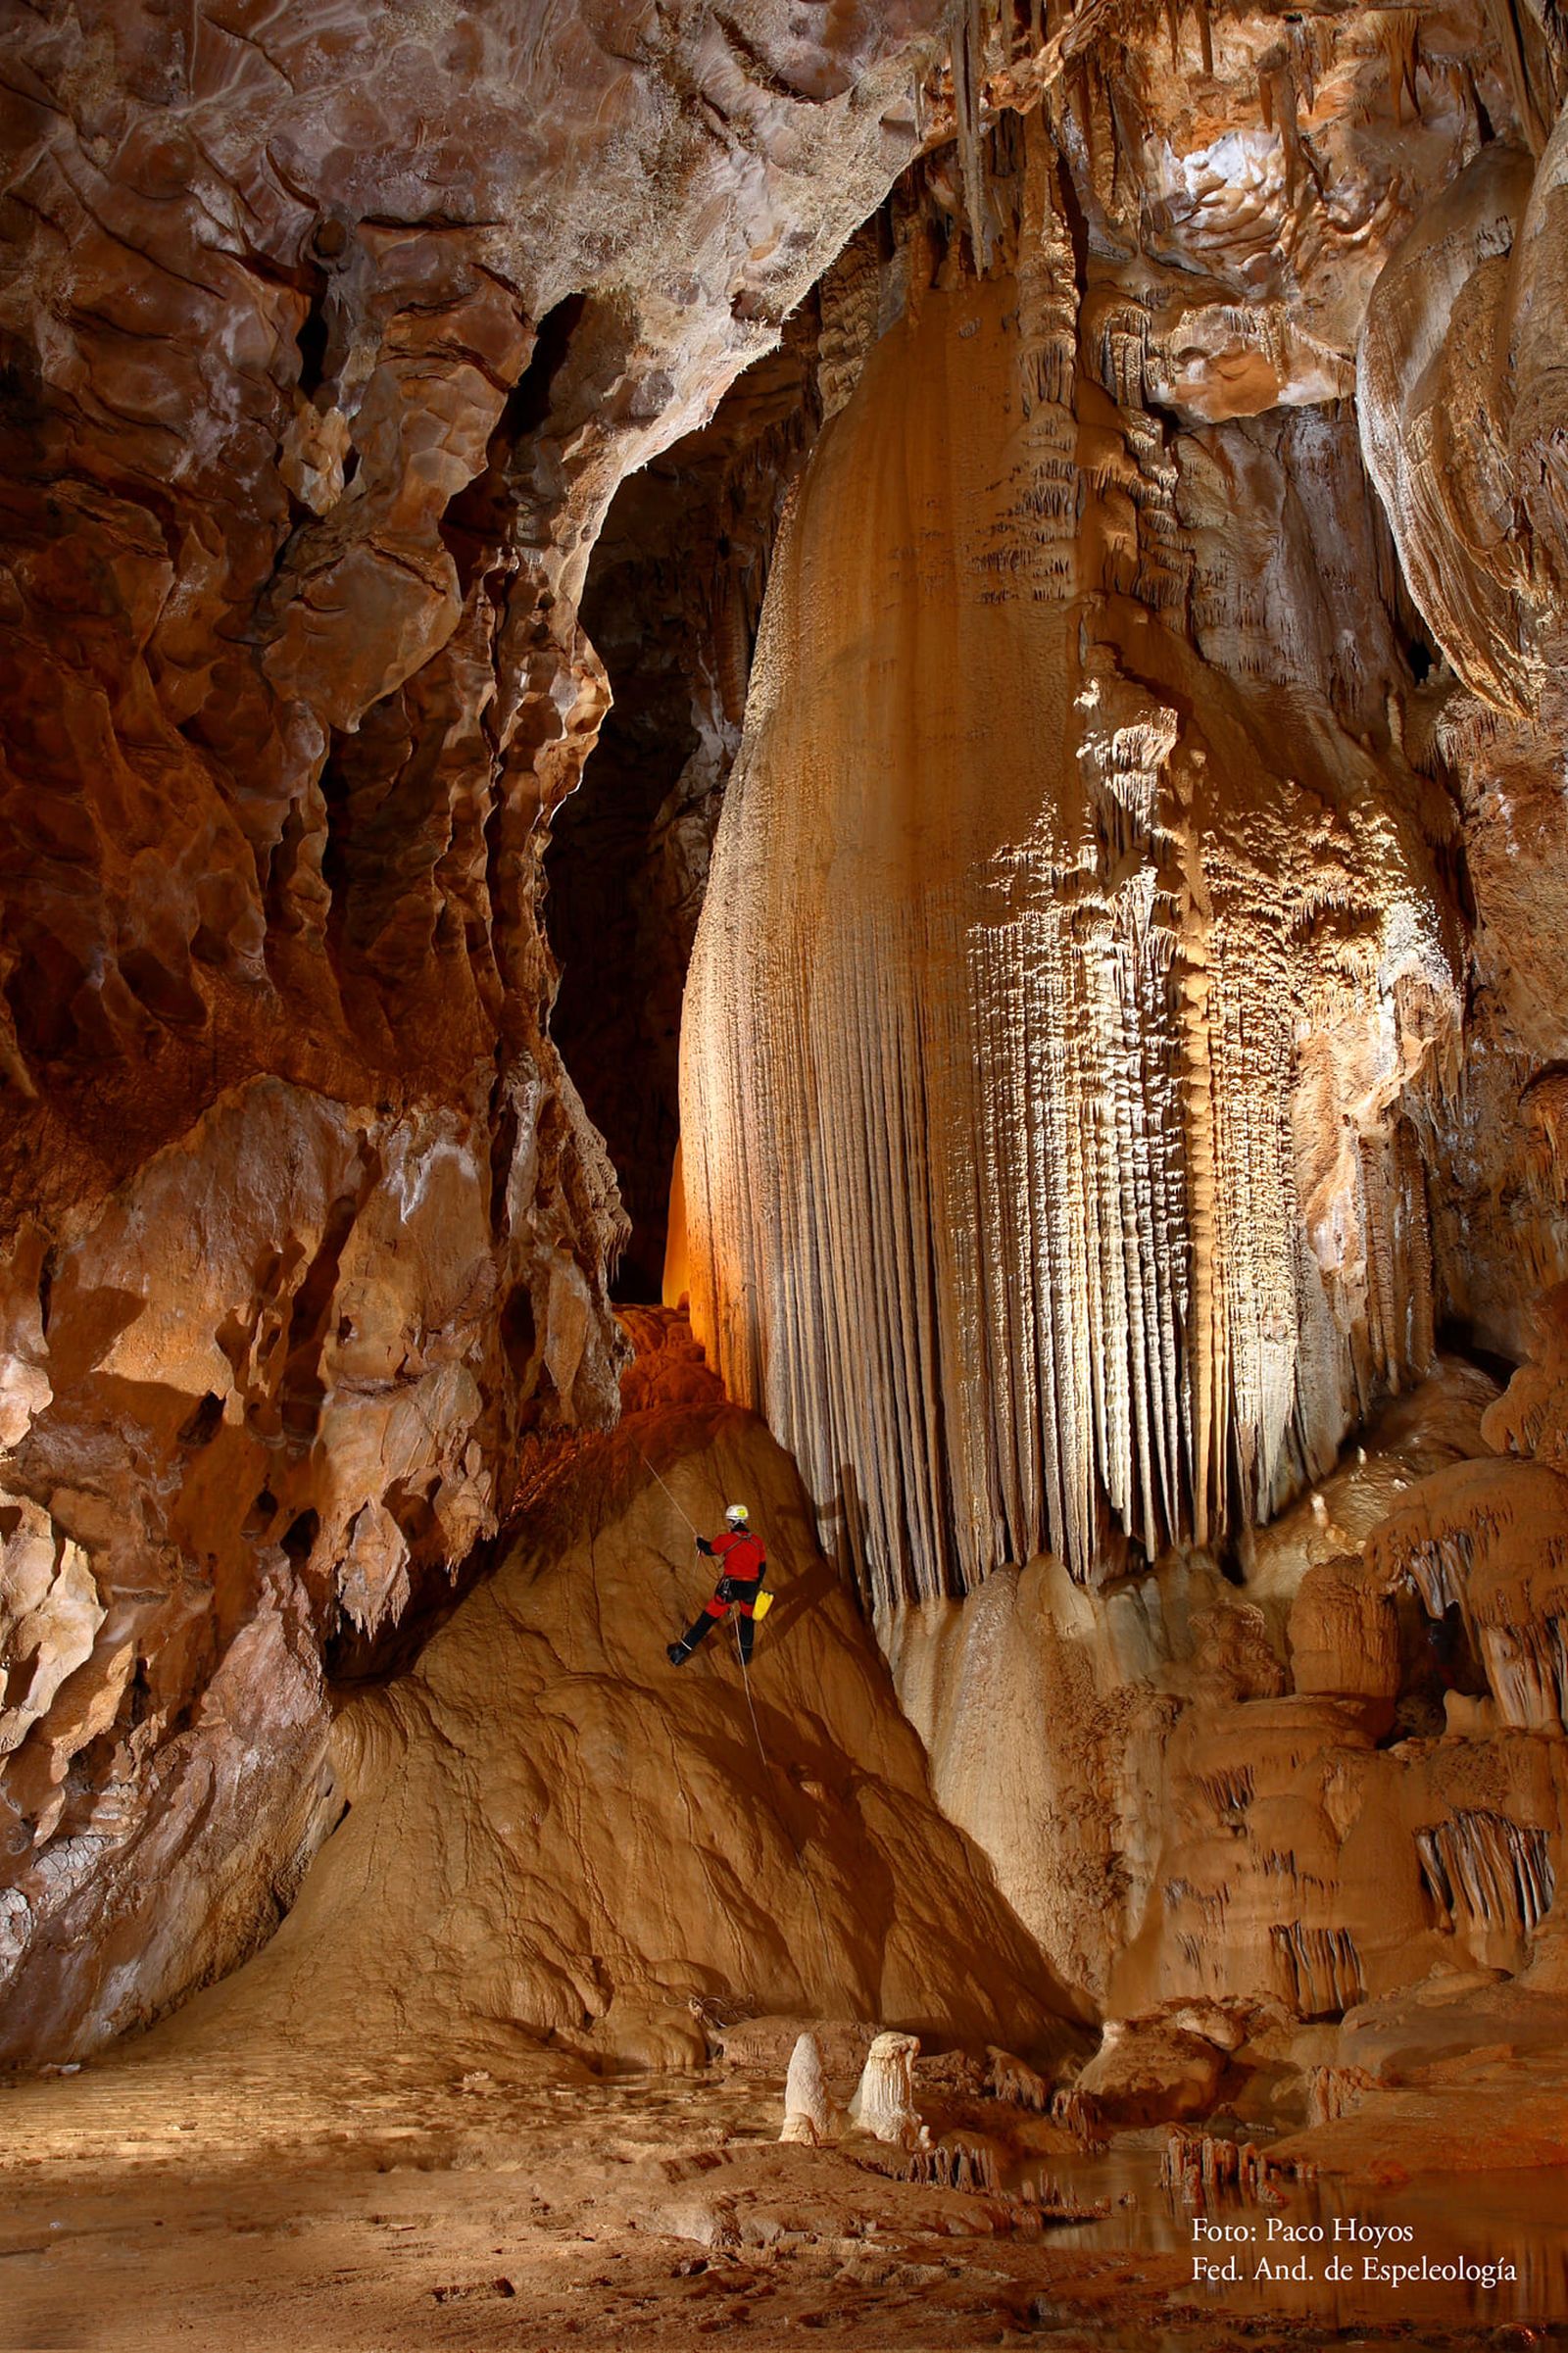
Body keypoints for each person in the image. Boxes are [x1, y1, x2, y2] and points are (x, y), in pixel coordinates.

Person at [667, 1504, 767, 1666]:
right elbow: (762, 1568)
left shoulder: (726, 1539)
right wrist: (755, 1586)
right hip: (750, 1588)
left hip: (730, 1587)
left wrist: (698, 1541)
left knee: (706, 1619)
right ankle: (745, 1657)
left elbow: (709, 1549)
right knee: (747, 1620)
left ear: (732, 1522)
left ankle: (679, 1654)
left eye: (729, 1521)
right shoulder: (757, 1542)